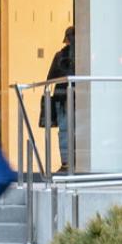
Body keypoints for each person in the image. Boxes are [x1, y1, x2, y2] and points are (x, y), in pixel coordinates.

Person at [40, 26, 75, 173]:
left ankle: (67, 163)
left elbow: (50, 78)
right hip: (79, 98)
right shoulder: (84, 55)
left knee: (65, 130)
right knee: (75, 130)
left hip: (62, 97)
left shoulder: (60, 56)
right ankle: (72, 162)